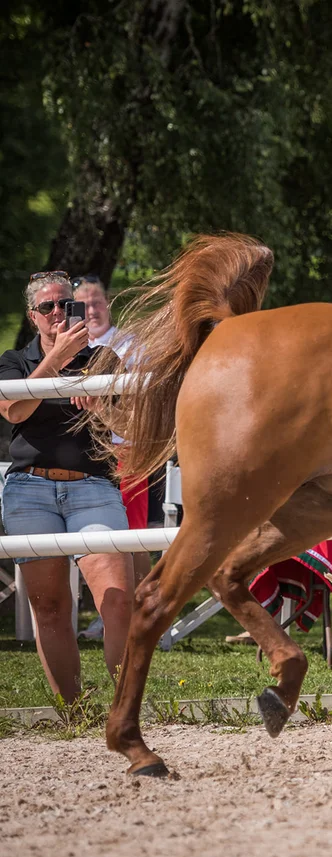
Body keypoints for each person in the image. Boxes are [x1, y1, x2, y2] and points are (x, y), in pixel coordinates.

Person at [0, 271, 133, 702]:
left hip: (94, 487)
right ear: (32, 316)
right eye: (47, 307)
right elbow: (14, 411)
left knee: (117, 600)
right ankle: (74, 714)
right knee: (50, 609)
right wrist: (55, 360)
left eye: (65, 305)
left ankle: (125, 710)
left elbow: (130, 426)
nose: (57, 313)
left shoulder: (105, 359)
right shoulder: (14, 362)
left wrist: (101, 410)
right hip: (29, 490)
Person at [73, 275, 151, 641]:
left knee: (131, 537)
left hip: (125, 449)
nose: (92, 310)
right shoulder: (64, 348)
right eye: (84, 304)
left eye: (98, 301)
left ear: (109, 302)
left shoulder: (130, 345)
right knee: (97, 540)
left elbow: (143, 402)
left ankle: (147, 615)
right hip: (77, 456)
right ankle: (112, 614)